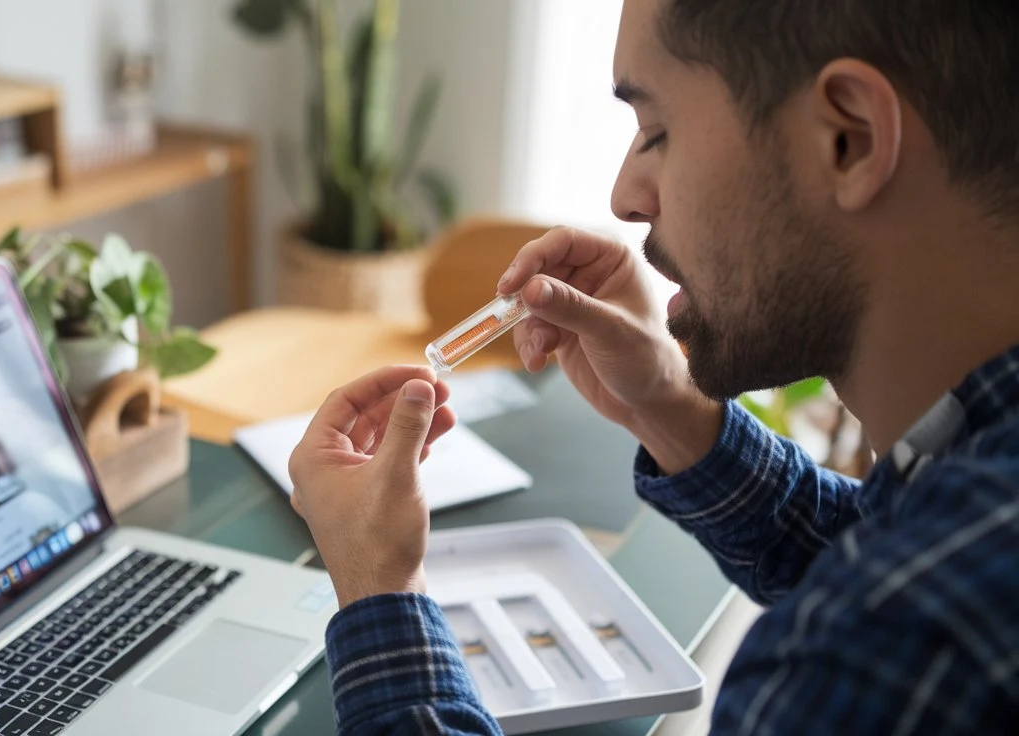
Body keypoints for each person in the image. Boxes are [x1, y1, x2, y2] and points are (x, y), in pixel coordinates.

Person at [287, 0, 1019, 732]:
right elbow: (865, 544)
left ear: (848, 140)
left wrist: (381, 591)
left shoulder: (886, 650)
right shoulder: (967, 519)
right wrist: (667, 403)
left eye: (658, 132)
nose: (625, 198)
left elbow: (881, 610)